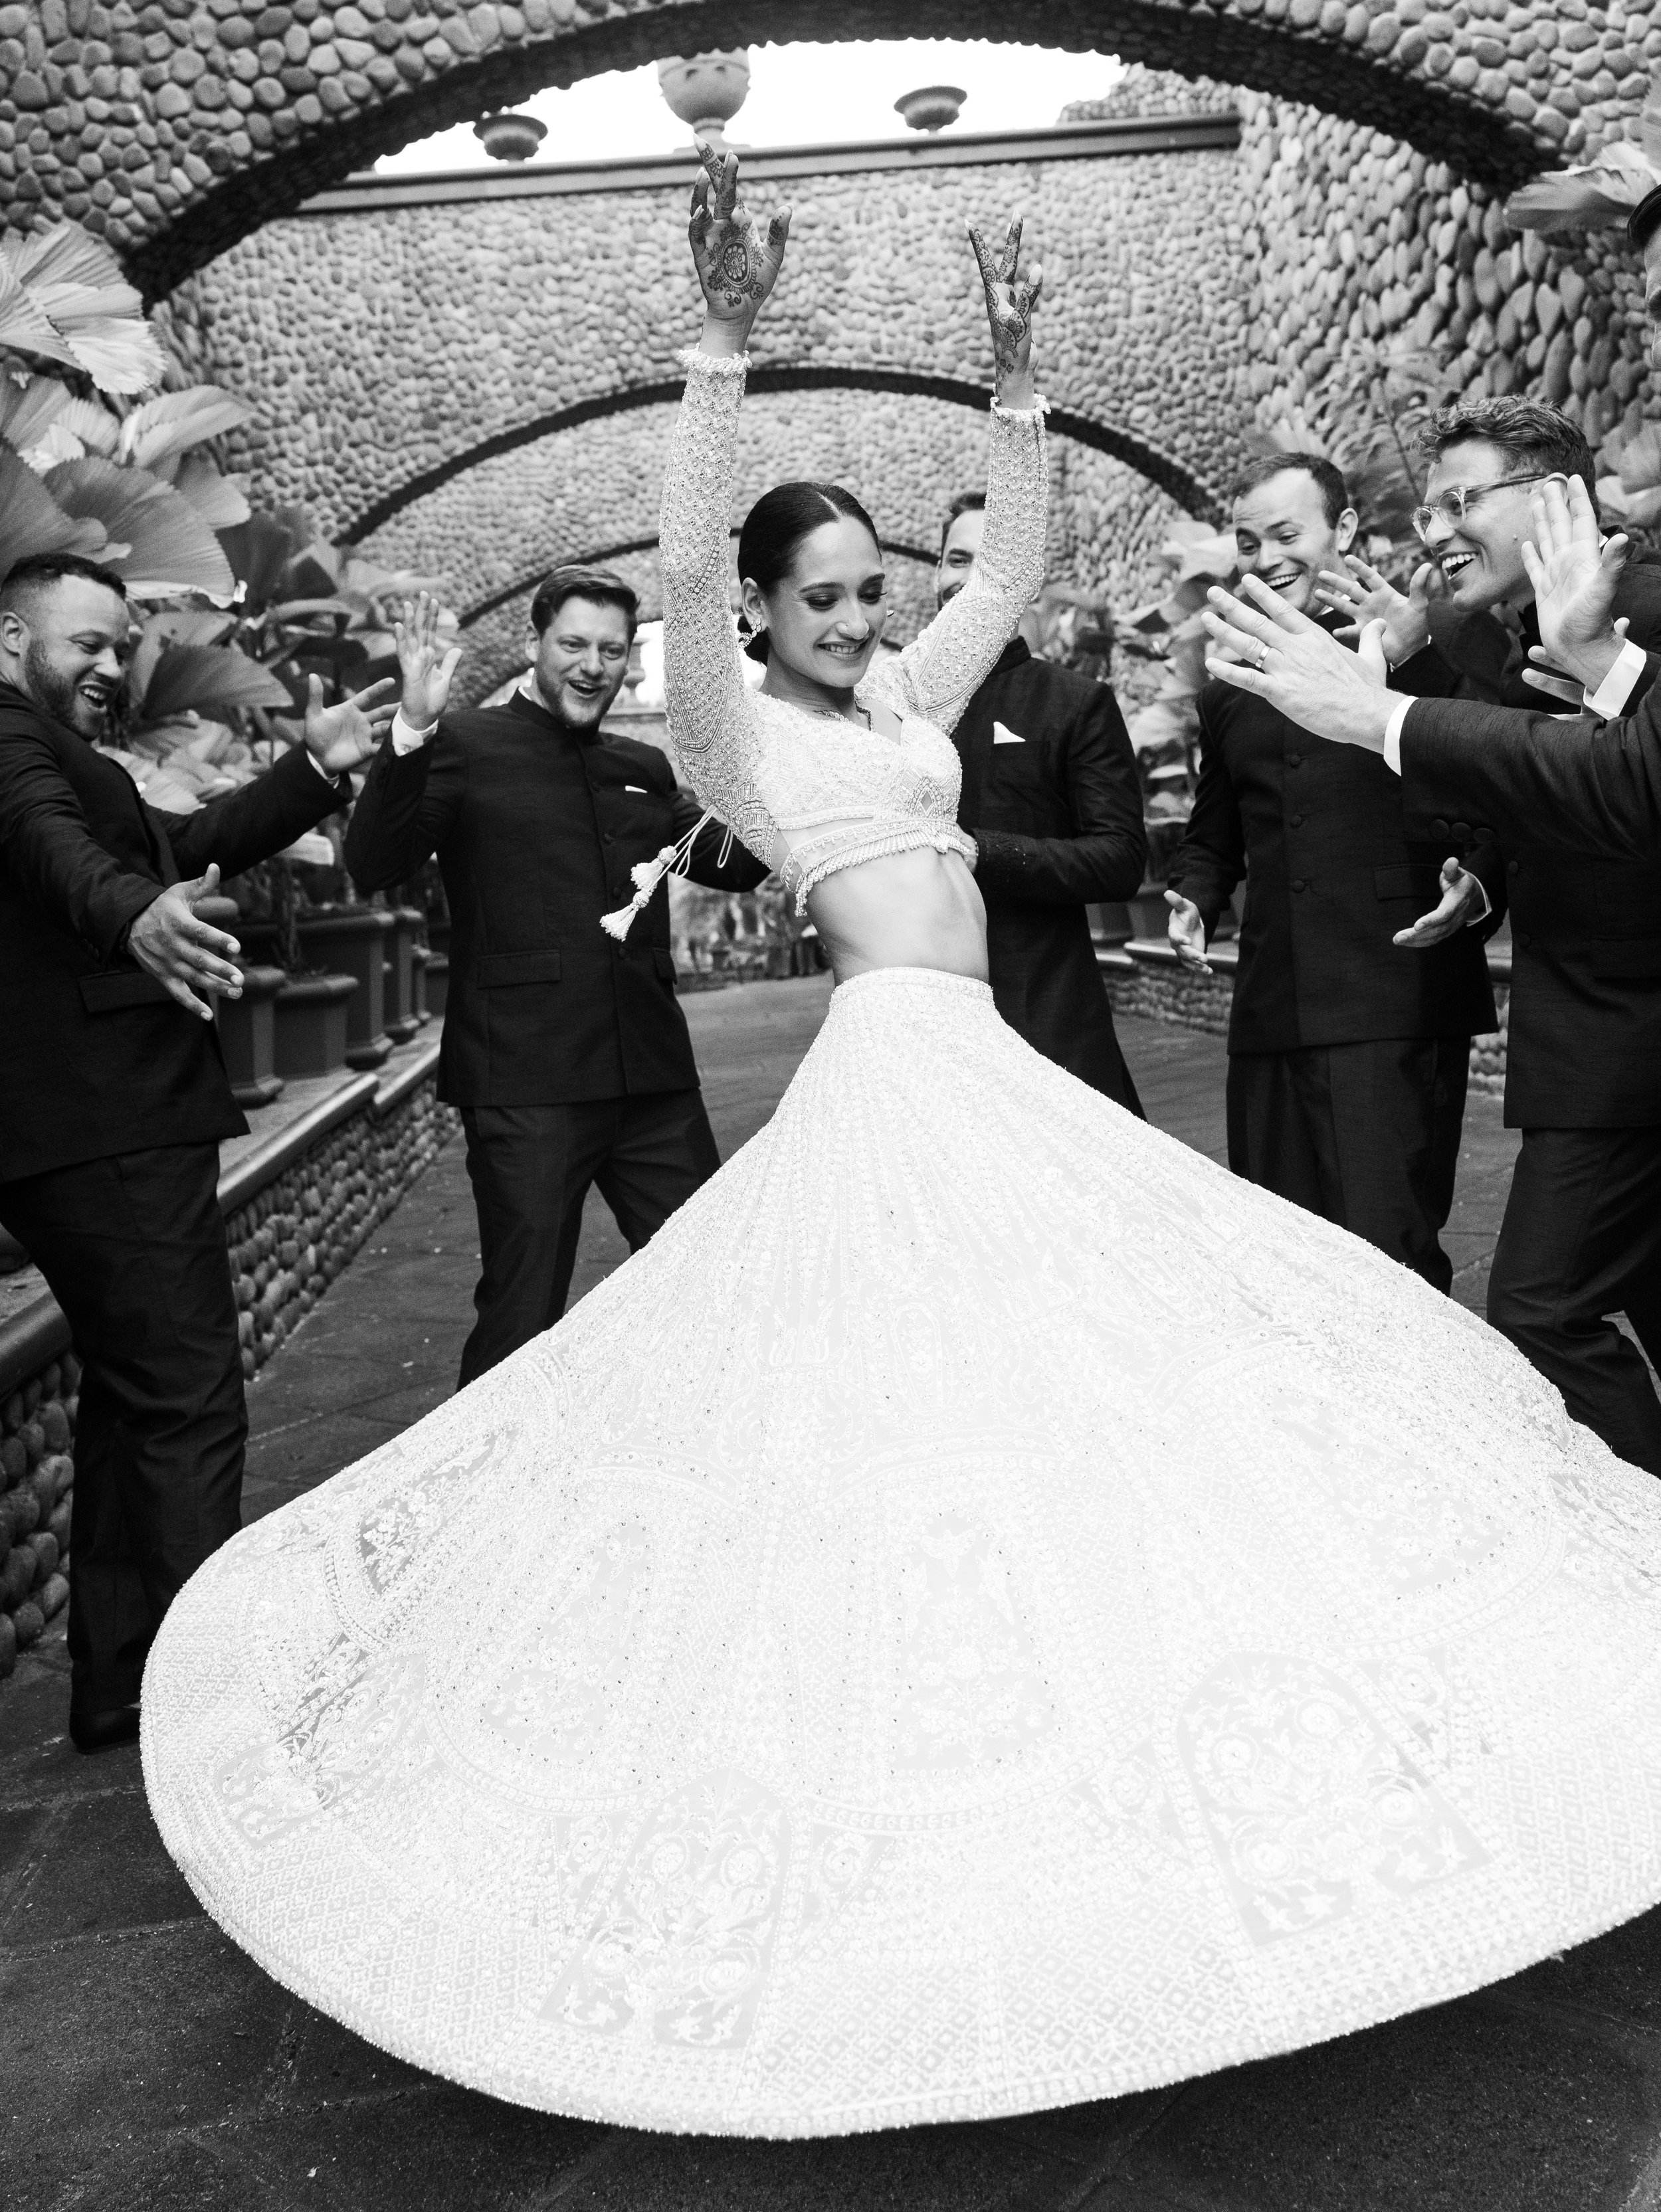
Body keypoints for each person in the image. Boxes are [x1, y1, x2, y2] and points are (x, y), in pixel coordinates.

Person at [145, 157, 1661, 2140]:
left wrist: (1020, 379)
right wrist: (714, 358)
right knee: (885, 1424)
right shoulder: (730, 740)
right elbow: (683, 582)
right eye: (835, 592)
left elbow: (1012, 578)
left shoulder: (911, 695)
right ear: (763, 612)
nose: (873, 617)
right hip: (885, 1075)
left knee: (1116, 1389)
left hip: (996, 1068)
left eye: (877, 586)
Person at [0, 548, 389, 1752]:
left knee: (131, 1404)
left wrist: (314, 771)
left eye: (122, 645)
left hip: (93, 1126)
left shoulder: (59, 751)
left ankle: (121, 1685)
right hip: (102, 1124)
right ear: (11, 641)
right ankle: (219, 1716)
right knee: (187, 1403)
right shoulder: (10, 741)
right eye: (88, 644)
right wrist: (132, 915)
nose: (114, 666)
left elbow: (193, 837)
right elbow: (50, 845)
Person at [1305, 404, 1661, 1473]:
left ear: (1555, 498)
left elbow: (1628, 789)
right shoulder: (1531, 625)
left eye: (1464, 500)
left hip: (1627, 1029)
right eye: (1432, 506)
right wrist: (1487, 877)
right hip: (1598, 1028)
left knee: (1545, 1310)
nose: (1436, 527)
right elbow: (1563, 790)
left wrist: (1379, 718)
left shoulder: (1639, 605)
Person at [343, 567, 769, 1382]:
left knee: (709, 1283)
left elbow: (737, 864)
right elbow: (373, 862)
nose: (592, 664)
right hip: (525, 1087)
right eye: (573, 644)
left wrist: (766, 742)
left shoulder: (643, 764)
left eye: (612, 649)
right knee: (522, 1311)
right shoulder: (462, 743)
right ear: (535, 645)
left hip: (650, 1081)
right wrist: (410, 731)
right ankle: (486, 1498)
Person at [1164, 452, 1498, 1290]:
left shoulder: (1432, 656)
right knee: (1283, 1261)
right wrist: (1196, 897)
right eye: (1250, 540)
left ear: (1342, 530)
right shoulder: (1231, 685)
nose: (1268, 557)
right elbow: (1215, 834)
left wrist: (1477, 882)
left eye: (1287, 533)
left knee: (1392, 1259)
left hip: (1394, 993)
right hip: (1273, 1004)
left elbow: (1498, 791)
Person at [941, 487, 1147, 1110]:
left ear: (1025, 582)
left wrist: (986, 854)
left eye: (986, 562)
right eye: (954, 559)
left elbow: (1119, 857)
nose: (963, 579)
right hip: (926, 1026)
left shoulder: (1073, 703)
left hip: (1046, 1018)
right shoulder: (891, 707)